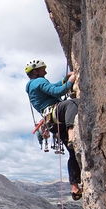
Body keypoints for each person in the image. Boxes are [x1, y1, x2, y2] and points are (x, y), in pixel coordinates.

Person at [25, 59, 82, 200]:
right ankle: (71, 132)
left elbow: (53, 86)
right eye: (43, 69)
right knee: (73, 103)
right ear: (35, 71)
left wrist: (64, 79)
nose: (45, 71)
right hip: (56, 113)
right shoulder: (39, 81)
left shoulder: (34, 85)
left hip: (52, 122)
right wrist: (70, 82)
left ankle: (74, 186)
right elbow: (58, 91)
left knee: (72, 152)